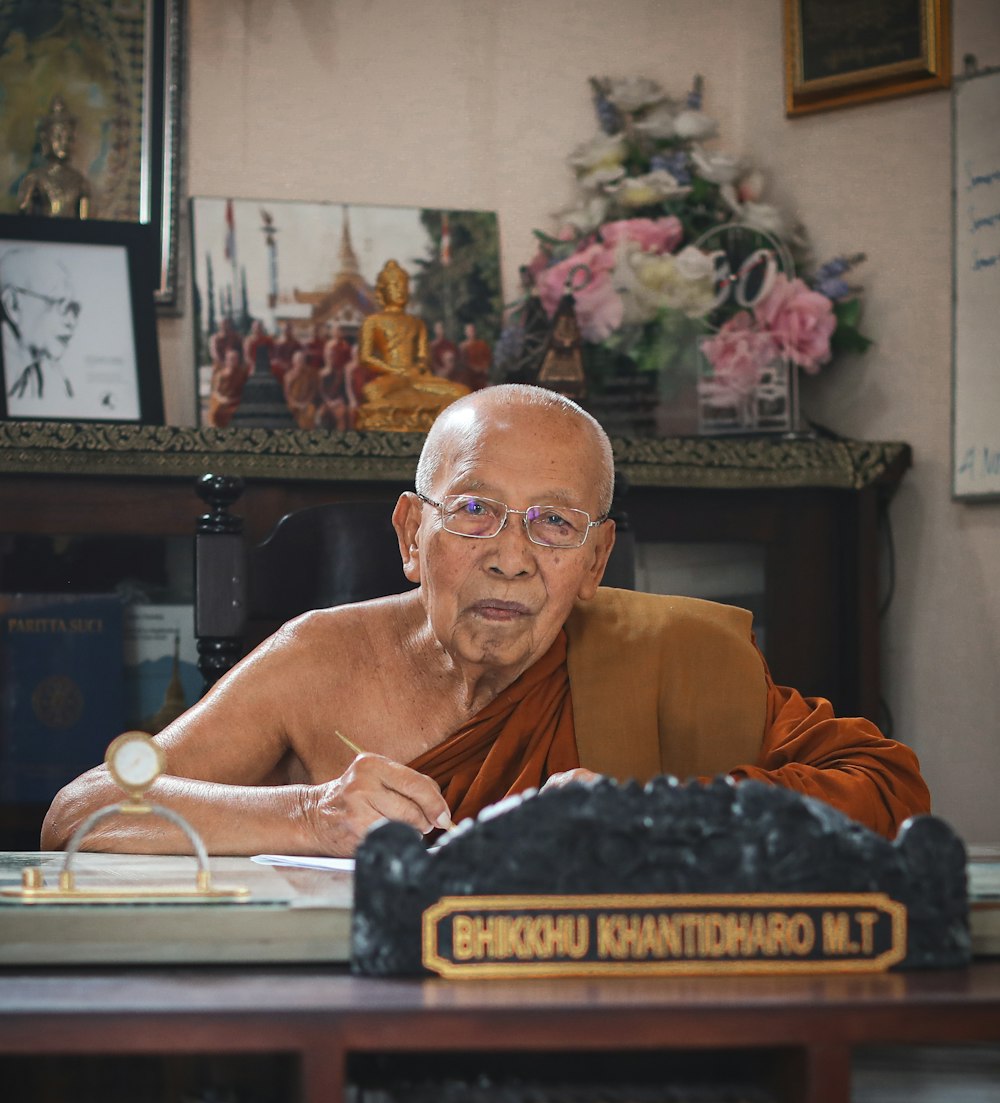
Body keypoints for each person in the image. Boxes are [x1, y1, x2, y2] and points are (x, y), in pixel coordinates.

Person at [41, 383, 930, 856]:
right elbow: (83, 810)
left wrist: (650, 816)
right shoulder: (316, 659)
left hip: (603, 1030)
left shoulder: (668, 660)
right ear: (410, 534)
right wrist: (309, 815)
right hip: (359, 1029)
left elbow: (887, 787)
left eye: (553, 523)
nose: (511, 554)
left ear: (594, 562)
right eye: (473, 511)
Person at [355, 260, 469, 428]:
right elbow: (365, 357)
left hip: (416, 378)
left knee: (462, 393)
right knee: (372, 393)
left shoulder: (416, 323)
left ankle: (423, 414)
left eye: (403, 285)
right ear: (383, 290)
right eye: (394, 285)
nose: (400, 289)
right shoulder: (373, 322)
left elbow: (423, 358)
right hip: (392, 377)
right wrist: (394, 370)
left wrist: (416, 369)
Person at [0, 246, 81, 401]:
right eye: (59, 303)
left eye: (73, 308)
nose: (71, 322)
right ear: (13, 305)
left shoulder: (53, 380)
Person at [18, 96, 91, 219]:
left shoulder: (80, 182)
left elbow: (84, 224)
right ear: (46, 139)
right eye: (57, 137)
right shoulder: (35, 178)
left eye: (67, 138)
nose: (63, 143)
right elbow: (23, 215)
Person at [204, 347, 248, 428]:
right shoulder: (221, 375)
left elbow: (245, 391)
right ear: (226, 361)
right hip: (222, 402)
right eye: (231, 359)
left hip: (236, 402)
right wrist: (223, 400)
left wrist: (236, 400)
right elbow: (215, 392)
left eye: (235, 359)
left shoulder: (242, 373)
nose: (233, 361)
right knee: (216, 414)